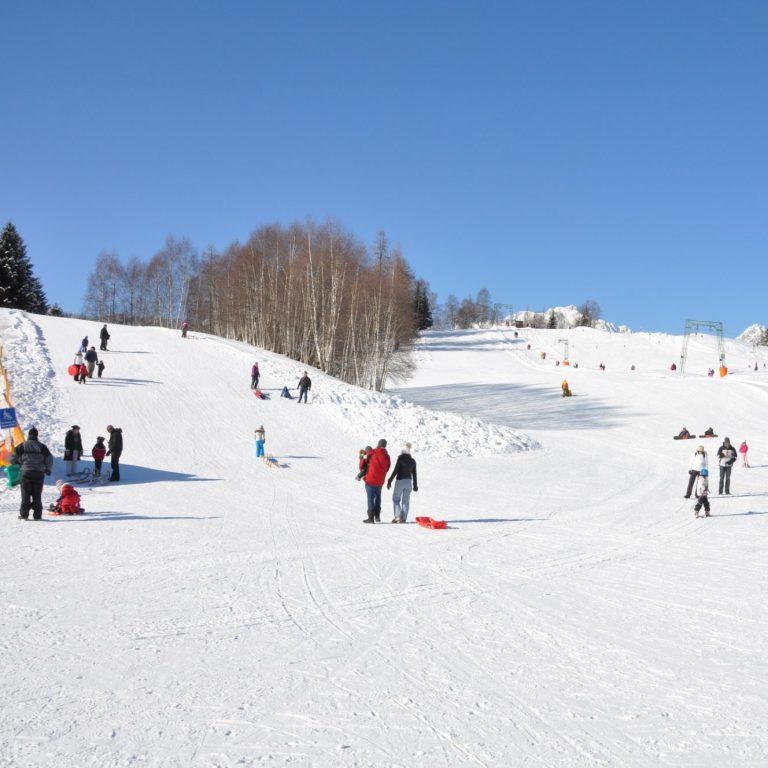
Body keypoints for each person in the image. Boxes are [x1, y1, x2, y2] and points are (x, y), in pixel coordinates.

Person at [10, 427, 53, 520]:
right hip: (39, 473)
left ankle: (24, 515)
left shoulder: (22, 445)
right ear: (37, 435)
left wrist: (18, 463)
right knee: (37, 494)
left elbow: (12, 458)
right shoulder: (42, 446)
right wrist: (48, 469)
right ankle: (37, 515)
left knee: (25, 494)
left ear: (29, 435)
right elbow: (49, 458)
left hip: (26, 472)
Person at [386, 442, 418, 523]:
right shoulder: (413, 461)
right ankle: (403, 518)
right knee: (406, 501)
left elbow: (395, 470)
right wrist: (415, 485)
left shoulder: (400, 459)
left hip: (400, 481)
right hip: (408, 482)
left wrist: (390, 480)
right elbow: (414, 473)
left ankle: (397, 517)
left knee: (396, 499)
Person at [362, 439, 390, 523]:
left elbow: (363, 465)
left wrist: (362, 458)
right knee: (378, 497)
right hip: (380, 480)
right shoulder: (387, 456)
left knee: (370, 498)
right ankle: (377, 516)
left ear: (378, 444)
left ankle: (371, 518)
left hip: (370, 479)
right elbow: (387, 468)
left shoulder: (372, 452)